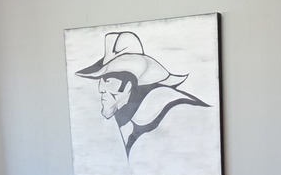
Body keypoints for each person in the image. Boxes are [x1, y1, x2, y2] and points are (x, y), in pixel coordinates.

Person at [75, 31, 209, 162]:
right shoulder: (130, 117)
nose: (100, 89)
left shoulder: (173, 110)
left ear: (128, 84)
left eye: (107, 81)